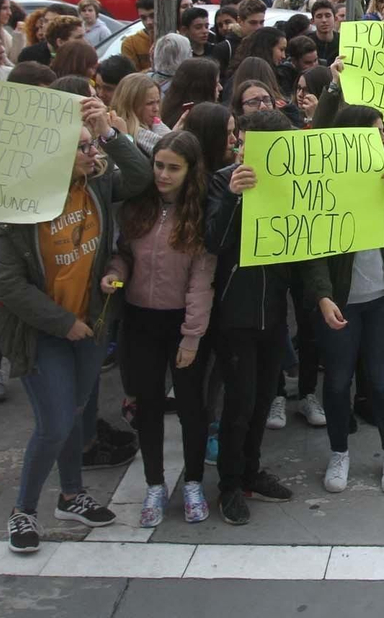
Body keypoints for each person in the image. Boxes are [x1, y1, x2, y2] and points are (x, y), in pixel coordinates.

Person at [0, 97, 151, 554]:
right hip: (44, 333)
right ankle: (23, 511)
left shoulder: (97, 187)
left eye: (91, 146)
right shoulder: (21, 209)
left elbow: (139, 178)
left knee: (77, 415)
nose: (92, 154)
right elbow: (7, 283)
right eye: (83, 148)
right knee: (55, 423)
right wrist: (63, 323)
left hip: (90, 325)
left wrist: (109, 133)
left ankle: (71, 496)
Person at [100, 131, 215, 526]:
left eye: (173, 168)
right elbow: (123, 255)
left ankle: (194, 482)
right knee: (146, 406)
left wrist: (192, 335)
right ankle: (154, 483)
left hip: (181, 320)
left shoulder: (200, 212)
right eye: (158, 165)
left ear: (190, 171)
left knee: (191, 408)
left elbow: (202, 278)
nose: (163, 175)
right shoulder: (139, 207)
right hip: (139, 320)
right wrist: (115, 274)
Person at [302, 105, 384, 493]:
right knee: (336, 381)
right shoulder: (326, 178)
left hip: (383, 296)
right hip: (342, 301)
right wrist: (322, 295)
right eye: (377, 132)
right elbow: (312, 244)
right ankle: (339, 453)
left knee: (381, 380)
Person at [204, 109, 298, 526]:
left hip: (275, 311)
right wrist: (234, 197)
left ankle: (250, 471)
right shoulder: (223, 181)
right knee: (239, 403)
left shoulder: (289, 181)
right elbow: (214, 241)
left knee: (263, 399)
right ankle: (228, 485)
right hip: (236, 313)